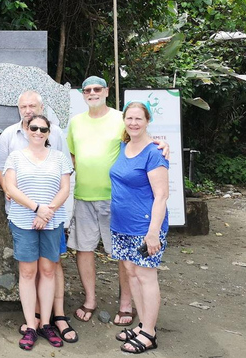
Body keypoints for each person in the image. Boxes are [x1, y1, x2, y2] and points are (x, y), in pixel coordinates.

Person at [66, 76, 168, 327]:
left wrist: (162, 145)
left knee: (123, 256)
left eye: (97, 89)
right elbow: (72, 155)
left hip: (117, 200)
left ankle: (126, 304)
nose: (92, 93)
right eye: (87, 89)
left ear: (107, 91)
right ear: (83, 94)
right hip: (83, 196)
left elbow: (141, 141)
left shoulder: (119, 119)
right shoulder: (75, 123)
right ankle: (90, 300)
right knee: (84, 249)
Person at [0, 91, 78, 344]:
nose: (38, 132)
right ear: (27, 129)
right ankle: (30, 325)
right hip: (24, 221)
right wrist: (37, 209)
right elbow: (10, 188)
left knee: (48, 270)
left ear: (49, 131)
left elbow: (65, 188)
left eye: (43, 128)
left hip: (52, 221)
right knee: (28, 272)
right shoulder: (15, 155)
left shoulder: (60, 157)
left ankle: (46, 323)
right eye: (34, 128)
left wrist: (48, 211)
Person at [110, 101, 169, 354]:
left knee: (146, 276)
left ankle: (150, 334)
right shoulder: (125, 146)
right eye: (129, 118)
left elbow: (162, 195)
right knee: (131, 274)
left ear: (147, 121)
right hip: (121, 225)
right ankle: (143, 324)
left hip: (144, 227)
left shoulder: (154, 152)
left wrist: (153, 231)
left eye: (138, 119)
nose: (133, 123)